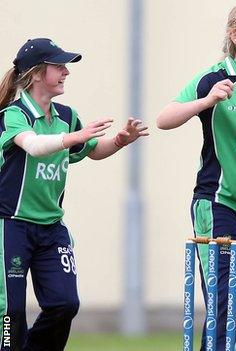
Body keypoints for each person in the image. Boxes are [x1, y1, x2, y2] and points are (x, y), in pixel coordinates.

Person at [155, 2, 236, 350]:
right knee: (222, 302)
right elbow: (164, 118)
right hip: (217, 204)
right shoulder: (215, 79)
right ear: (235, 36)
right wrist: (206, 102)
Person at [0, 38, 147, 351]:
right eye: (59, 66)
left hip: (51, 230)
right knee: (11, 314)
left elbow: (92, 150)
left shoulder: (66, 115)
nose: (66, 72)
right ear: (37, 73)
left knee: (65, 304)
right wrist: (73, 137)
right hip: (11, 226)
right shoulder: (15, 115)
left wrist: (121, 140)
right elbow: (35, 146)